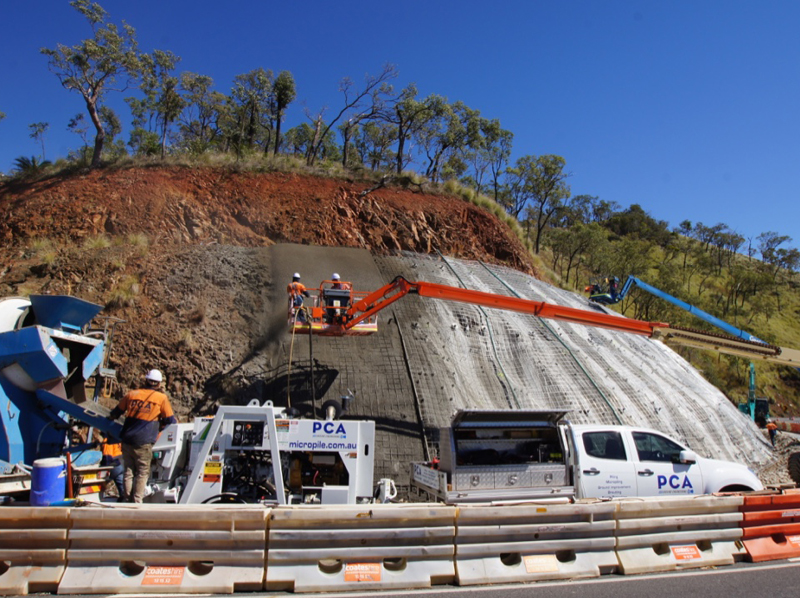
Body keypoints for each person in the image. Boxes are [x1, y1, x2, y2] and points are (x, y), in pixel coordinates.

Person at [108, 369, 176, 503]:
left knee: (128, 470)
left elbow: (115, 413)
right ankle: (137, 501)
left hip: (127, 439)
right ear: (158, 384)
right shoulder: (161, 398)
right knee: (142, 471)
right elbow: (170, 420)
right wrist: (160, 425)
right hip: (144, 441)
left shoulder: (132, 394)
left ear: (146, 380)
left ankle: (127, 498)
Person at [99, 433, 125, 501]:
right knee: (122, 488)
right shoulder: (117, 439)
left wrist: (104, 468)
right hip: (120, 464)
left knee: (100, 484)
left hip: (112, 465)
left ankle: (99, 498)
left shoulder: (107, 441)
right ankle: (124, 499)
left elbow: (107, 456)